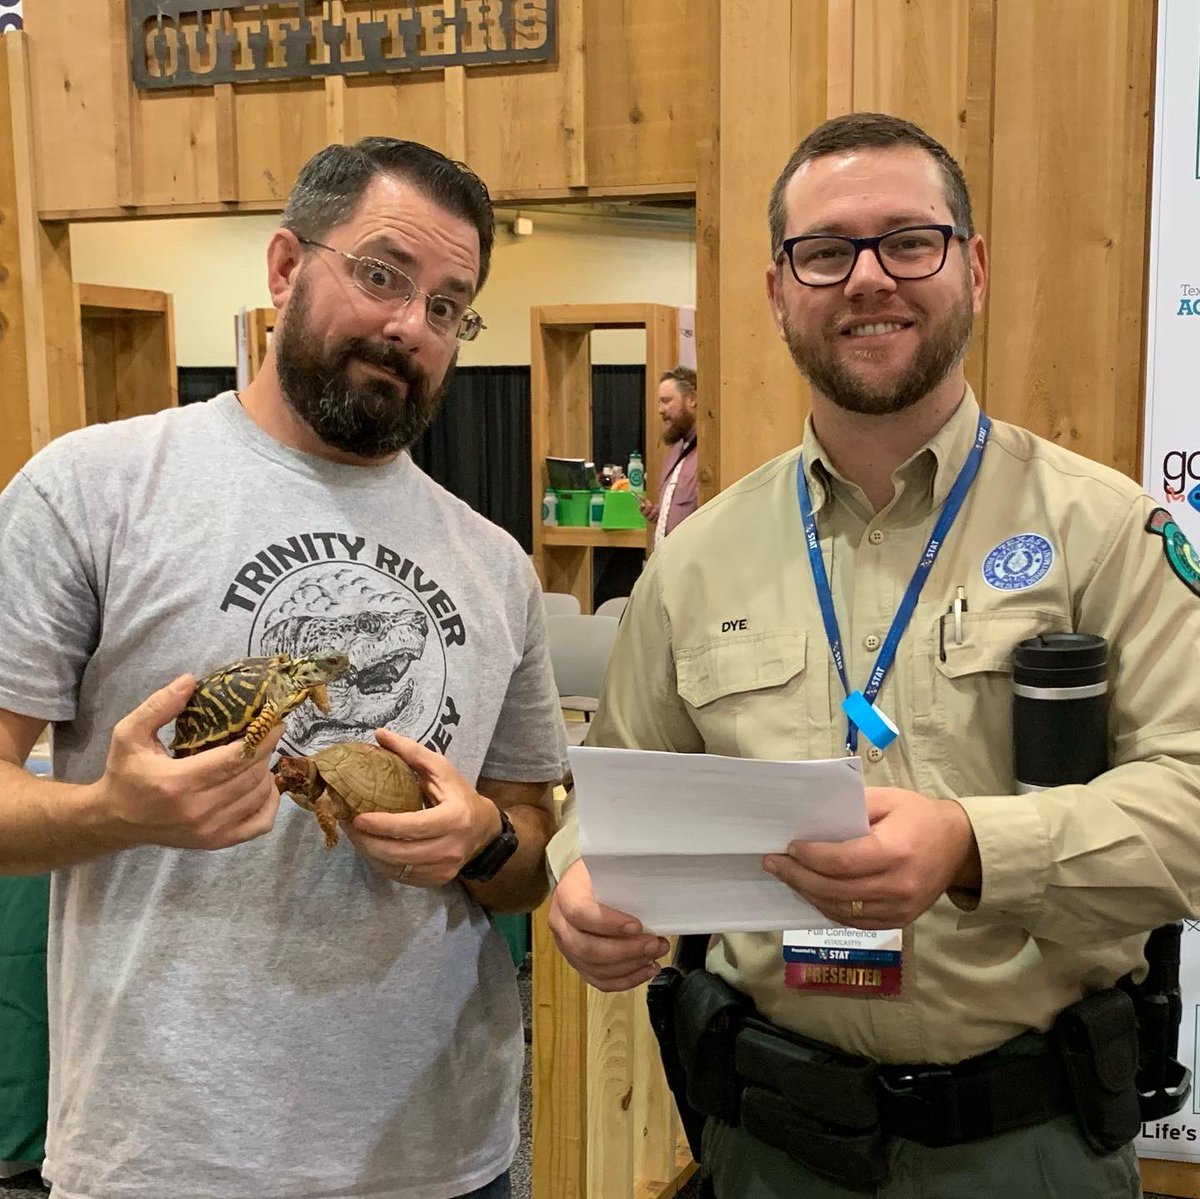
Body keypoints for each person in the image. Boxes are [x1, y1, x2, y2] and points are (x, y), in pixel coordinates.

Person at [545, 111, 1200, 1197]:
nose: (867, 277)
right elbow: (615, 789)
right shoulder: (697, 560)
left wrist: (974, 844)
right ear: (777, 292)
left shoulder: (1105, 532)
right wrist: (580, 880)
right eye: (825, 251)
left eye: (908, 241)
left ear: (973, 268)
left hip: (1028, 1147)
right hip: (770, 1140)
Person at [0, 137, 567, 1199]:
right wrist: (113, 811)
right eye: (382, 273)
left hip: (445, 1159)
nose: (411, 324)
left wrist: (483, 838)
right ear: (284, 266)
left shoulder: (495, 563)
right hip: (166, 1160)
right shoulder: (93, 491)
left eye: (449, 306)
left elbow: (532, 845)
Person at [638, 366, 699, 548]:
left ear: (692, 400)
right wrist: (658, 513)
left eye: (666, 401)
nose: (660, 410)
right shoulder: (675, 452)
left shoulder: (709, 455)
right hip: (665, 559)